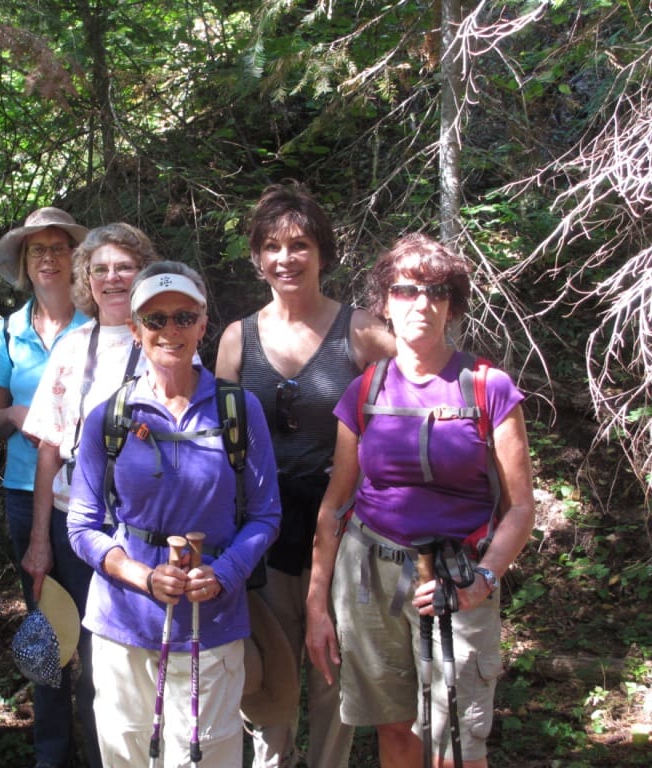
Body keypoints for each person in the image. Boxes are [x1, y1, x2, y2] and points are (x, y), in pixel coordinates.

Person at [305, 234, 535, 768]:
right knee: (395, 731)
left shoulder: (488, 387)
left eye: (436, 291)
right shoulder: (366, 390)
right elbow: (335, 505)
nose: (421, 303)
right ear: (385, 303)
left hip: (457, 578)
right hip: (369, 577)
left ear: (452, 306)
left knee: (456, 745)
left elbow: (521, 507)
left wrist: (484, 579)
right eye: (406, 290)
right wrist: (317, 604)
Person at [67, 261, 282, 766]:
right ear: (135, 328)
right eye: (155, 318)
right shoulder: (110, 417)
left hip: (212, 621)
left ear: (203, 324)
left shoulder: (238, 410)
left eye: (184, 317)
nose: (170, 330)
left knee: (201, 757)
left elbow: (266, 514)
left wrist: (224, 574)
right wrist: (140, 575)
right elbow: (81, 524)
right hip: (123, 623)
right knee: (127, 753)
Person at [215, 182, 394, 768]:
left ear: (322, 253)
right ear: (256, 257)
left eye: (299, 245)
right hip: (262, 531)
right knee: (270, 673)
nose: (285, 259)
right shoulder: (237, 339)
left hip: (344, 528)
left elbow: (412, 403)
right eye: (272, 246)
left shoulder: (361, 331)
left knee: (332, 667)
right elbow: (217, 442)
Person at [20, 222, 160, 767]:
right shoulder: (72, 347)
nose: (112, 278)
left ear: (143, 272)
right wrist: (39, 540)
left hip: (140, 531)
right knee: (60, 651)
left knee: (127, 661)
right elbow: (48, 448)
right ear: (86, 279)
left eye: (124, 267)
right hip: (70, 522)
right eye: (100, 269)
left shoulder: (167, 340)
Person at [0, 207, 90, 768]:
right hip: (26, 495)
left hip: (91, 498)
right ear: (24, 263)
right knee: (48, 630)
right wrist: (19, 414)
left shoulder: (99, 325)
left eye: (58, 247)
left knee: (95, 633)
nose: (48, 258)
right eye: (37, 250)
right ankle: (52, 755)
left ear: (76, 259)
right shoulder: (9, 331)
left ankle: (103, 751)